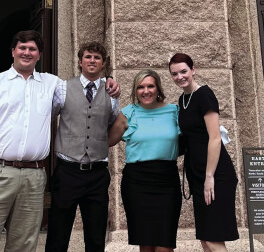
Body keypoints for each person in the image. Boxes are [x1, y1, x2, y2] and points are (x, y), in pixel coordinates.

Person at [0, 31, 119, 252]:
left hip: (34, 176)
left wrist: (110, 81)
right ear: (13, 51)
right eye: (22, 48)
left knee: (25, 243)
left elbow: (89, 86)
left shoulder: (53, 84)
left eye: (32, 49)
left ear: (39, 55)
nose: (27, 52)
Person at [45, 42, 120, 252]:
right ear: (80, 61)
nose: (92, 61)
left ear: (103, 63)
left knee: (96, 238)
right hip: (67, 171)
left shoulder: (112, 93)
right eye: (88, 57)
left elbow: (114, 122)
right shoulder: (63, 88)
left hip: (97, 173)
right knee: (58, 235)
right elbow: (46, 118)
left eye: (97, 57)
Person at [169, 53, 239, 252]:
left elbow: (215, 138)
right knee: (205, 239)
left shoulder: (204, 94)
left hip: (216, 174)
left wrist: (210, 176)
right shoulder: (183, 100)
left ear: (193, 70)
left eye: (184, 71)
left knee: (213, 239)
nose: (180, 77)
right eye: (174, 74)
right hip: (197, 174)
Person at [108, 70, 182, 252]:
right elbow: (106, 141)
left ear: (158, 88)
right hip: (137, 183)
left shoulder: (174, 112)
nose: (146, 91)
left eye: (150, 86)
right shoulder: (128, 113)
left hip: (167, 181)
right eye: (140, 87)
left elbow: (192, 140)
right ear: (135, 90)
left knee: (165, 244)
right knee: (146, 244)